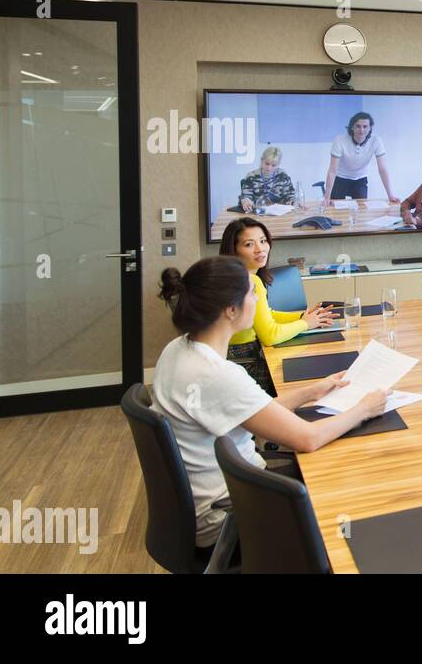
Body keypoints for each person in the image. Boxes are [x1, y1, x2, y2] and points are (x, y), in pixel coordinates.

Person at [151, 256, 388, 550]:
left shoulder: (178, 349)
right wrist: (365, 408)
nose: (258, 299)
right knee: (357, 487)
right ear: (230, 309)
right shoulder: (216, 374)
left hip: (223, 495)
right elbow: (308, 438)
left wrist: (312, 391)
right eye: (252, 293)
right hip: (234, 516)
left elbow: (254, 411)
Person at [219, 217, 334, 393]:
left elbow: (267, 315)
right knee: (318, 372)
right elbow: (270, 336)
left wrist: (303, 316)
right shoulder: (251, 281)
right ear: (234, 250)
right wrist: (305, 324)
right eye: (249, 244)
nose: (260, 249)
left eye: (263, 241)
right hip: (246, 364)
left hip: (229, 360)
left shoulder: (234, 276)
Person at [323, 111, 398, 204]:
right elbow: (332, 170)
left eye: (365, 126)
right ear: (352, 127)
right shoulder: (339, 140)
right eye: (358, 126)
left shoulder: (376, 141)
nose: (362, 130)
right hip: (340, 179)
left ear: (370, 128)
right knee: (335, 209)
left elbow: (382, 169)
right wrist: (327, 197)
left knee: (361, 209)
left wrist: (390, 195)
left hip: (360, 180)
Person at [237, 145, 296, 212]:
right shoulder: (251, 176)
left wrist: (294, 202)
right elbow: (246, 196)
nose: (269, 168)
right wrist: (246, 201)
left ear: (278, 164)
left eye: (273, 165)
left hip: (279, 215)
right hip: (258, 213)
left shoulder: (283, 175)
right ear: (262, 160)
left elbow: (290, 195)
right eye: (267, 164)